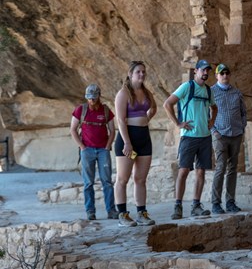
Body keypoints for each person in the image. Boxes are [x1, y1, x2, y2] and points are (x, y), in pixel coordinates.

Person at [163, 59, 217, 220]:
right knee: (184, 170)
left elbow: (214, 107)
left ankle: (196, 205)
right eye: (203, 70)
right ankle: (178, 206)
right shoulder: (187, 87)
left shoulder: (208, 90)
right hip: (189, 137)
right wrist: (178, 123)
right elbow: (168, 104)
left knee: (201, 172)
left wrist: (212, 121)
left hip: (204, 137)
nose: (205, 73)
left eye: (207, 70)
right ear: (196, 72)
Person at [114, 61, 157, 227]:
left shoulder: (146, 92)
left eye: (144, 72)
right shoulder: (123, 93)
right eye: (138, 72)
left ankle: (141, 213)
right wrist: (127, 143)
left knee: (140, 178)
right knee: (122, 178)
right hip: (128, 140)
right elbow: (120, 120)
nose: (142, 74)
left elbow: (153, 108)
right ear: (131, 74)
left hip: (144, 139)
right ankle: (122, 214)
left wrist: (147, 118)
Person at [70, 84, 118, 220]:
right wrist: (82, 147)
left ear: (98, 97)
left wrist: (108, 146)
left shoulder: (105, 111)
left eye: (94, 98)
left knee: (107, 181)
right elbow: (73, 129)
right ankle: (90, 211)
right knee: (88, 182)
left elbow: (112, 130)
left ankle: (111, 210)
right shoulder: (81, 110)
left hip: (103, 150)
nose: (91, 101)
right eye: (89, 98)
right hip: (87, 150)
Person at [210, 63, 247, 214]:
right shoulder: (211, 92)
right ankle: (216, 203)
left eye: (227, 73)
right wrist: (213, 130)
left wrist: (242, 126)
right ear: (217, 76)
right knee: (220, 167)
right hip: (220, 135)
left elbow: (243, 111)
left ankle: (230, 201)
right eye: (222, 73)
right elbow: (207, 113)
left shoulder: (236, 92)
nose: (225, 76)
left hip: (236, 134)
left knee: (233, 168)